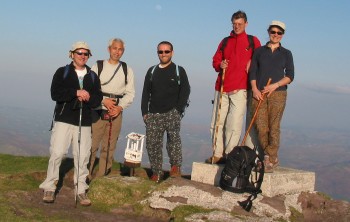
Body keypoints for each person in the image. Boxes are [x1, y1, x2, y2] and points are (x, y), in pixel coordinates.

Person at [39, 41, 102, 206]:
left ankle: (81, 190)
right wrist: (76, 93)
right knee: (58, 153)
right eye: (79, 53)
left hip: (85, 120)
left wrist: (88, 97)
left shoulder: (93, 76)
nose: (82, 56)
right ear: (72, 54)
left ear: (89, 56)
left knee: (82, 156)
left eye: (85, 54)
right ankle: (49, 187)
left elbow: (98, 99)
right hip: (64, 119)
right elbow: (55, 93)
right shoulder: (63, 72)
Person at [207, 10, 261, 164]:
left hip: (241, 88)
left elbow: (259, 58)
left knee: (234, 124)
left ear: (246, 24)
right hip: (222, 88)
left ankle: (230, 156)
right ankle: (217, 154)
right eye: (234, 24)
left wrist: (253, 62)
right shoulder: (225, 41)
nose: (237, 26)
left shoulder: (253, 41)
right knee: (216, 123)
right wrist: (220, 64)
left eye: (240, 24)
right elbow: (215, 60)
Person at [141, 41, 190, 183]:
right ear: (157, 53)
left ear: (172, 53)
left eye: (166, 51)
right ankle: (156, 172)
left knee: (173, 140)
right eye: (160, 52)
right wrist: (145, 112)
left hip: (172, 113)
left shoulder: (179, 71)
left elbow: (185, 91)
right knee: (152, 143)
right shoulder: (152, 71)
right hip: (153, 114)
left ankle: (175, 167)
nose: (163, 54)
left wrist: (178, 110)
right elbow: (145, 93)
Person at [249, 20, 294, 173]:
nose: (275, 35)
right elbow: (253, 71)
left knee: (274, 126)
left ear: (282, 35)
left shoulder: (287, 53)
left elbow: (290, 76)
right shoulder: (259, 51)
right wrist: (254, 89)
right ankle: (269, 157)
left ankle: (270, 158)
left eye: (279, 33)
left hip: (278, 93)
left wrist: (274, 86)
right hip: (259, 93)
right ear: (268, 32)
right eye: (273, 32)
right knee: (261, 126)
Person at [88, 38, 135, 180]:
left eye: (120, 49)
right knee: (92, 144)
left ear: (123, 51)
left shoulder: (127, 69)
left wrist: (119, 107)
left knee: (109, 145)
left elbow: (130, 93)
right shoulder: (98, 66)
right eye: (114, 48)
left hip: (116, 112)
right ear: (109, 49)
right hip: (97, 110)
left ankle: (103, 175)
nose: (117, 52)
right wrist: (104, 101)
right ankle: (85, 174)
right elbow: (89, 87)